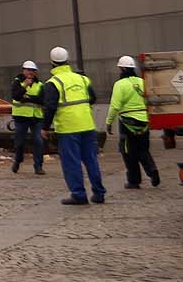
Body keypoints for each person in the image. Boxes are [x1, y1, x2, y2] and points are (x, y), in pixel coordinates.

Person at [42, 46, 105, 206]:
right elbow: (92, 98)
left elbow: (50, 107)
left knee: (72, 162)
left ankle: (78, 194)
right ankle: (98, 193)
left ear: (52, 62)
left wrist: (44, 127)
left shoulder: (53, 82)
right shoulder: (83, 79)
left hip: (68, 128)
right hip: (87, 125)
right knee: (91, 159)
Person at [109, 55, 161, 189]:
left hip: (127, 123)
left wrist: (109, 122)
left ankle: (134, 180)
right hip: (144, 121)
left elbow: (115, 105)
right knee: (143, 149)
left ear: (122, 69)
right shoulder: (143, 82)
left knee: (128, 152)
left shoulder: (119, 84)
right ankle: (152, 170)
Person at [8, 61, 46, 175]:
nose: (31, 72)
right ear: (23, 70)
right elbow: (16, 96)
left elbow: (42, 100)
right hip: (21, 117)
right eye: (28, 70)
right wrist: (24, 86)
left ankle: (38, 166)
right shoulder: (17, 82)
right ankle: (18, 161)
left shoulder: (40, 85)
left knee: (38, 141)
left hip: (36, 117)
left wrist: (27, 97)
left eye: (33, 70)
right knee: (19, 143)